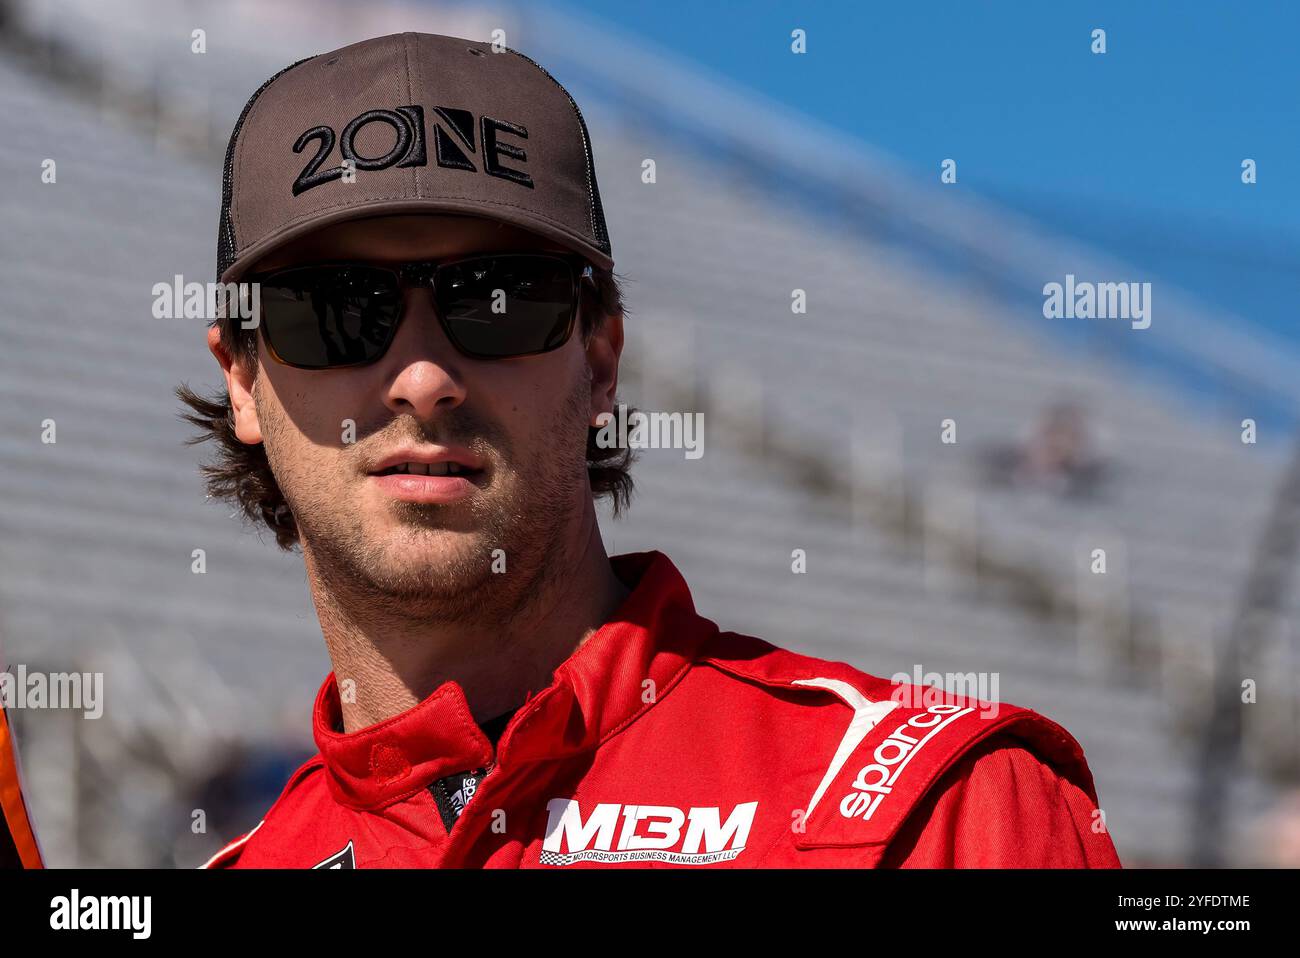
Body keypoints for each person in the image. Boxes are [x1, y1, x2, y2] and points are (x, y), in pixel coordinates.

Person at [183, 32, 1121, 869]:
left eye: (499, 297)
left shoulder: (944, 814)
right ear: (242, 379)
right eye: (337, 309)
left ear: (599, 360)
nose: (422, 376)